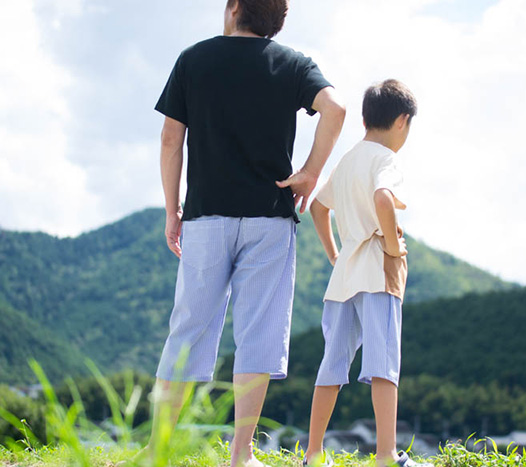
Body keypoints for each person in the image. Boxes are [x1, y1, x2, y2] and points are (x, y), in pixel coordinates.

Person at [141, 1, 346, 466]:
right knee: (258, 335)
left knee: (187, 330)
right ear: (277, 21)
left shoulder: (193, 59)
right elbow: (335, 107)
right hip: (269, 217)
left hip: (206, 217)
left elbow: (171, 140)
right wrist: (311, 172)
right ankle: (240, 454)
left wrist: (171, 209)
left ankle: (158, 450)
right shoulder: (292, 63)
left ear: (234, 9)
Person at [303, 79, 431, 467]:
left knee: (332, 366)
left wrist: (334, 253)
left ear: (365, 118)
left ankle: (313, 454)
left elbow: (317, 208)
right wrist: (392, 246)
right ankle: (387, 456)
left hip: (344, 279)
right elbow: (382, 198)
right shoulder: (386, 160)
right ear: (402, 121)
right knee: (383, 366)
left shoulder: (348, 159)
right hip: (378, 272)